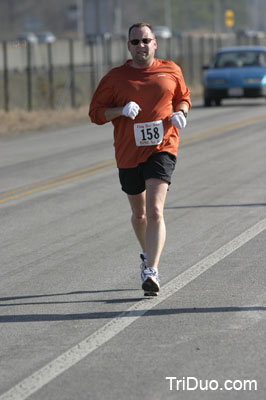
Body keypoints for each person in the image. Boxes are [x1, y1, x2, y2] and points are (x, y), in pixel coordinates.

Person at [89, 22, 191, 296]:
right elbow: (95, 113)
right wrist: (120, 110)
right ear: (128, 46)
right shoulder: (115, 78)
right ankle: (147, 254)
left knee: (156, 210)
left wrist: (181, 111)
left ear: (155, 43)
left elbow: (183, 97)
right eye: (135, 42)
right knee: (140, 214)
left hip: (162, 146)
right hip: (128, 152)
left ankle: (152, 271)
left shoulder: (171, 69)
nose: (141, 46)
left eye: (146, 41)